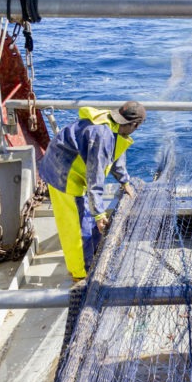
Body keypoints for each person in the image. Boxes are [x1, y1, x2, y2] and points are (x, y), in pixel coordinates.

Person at [39, 101, 146, 280]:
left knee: (88, 220)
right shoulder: (102, 136)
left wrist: (125, 181)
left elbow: (116, 154)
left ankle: (93, 255)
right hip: (63, 173)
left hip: (72, 165)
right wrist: (99, 214)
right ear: (135, 125)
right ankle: (81, 274)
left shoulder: (114, 125)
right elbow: (94, 177)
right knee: (77, 227)